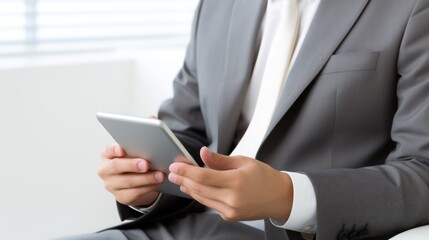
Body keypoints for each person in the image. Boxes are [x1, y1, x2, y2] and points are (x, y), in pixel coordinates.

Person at [70, 0, 429, 239]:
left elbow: (424, 171)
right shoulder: (219, 6)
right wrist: (148, 181)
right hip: (186, 225)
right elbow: (188, 129)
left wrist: (287, 196)